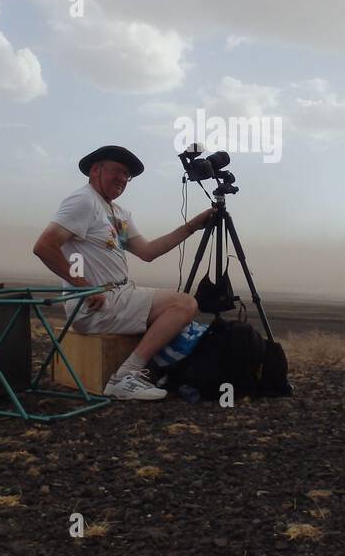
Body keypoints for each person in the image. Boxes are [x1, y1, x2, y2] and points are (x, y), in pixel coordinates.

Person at [32, 145, 213, 400]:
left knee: (177, 306)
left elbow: (148, 251)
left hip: (118, 293)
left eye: (126, 175)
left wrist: (192, 226)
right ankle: (126, 376)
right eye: (116, 171)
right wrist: (82, 285)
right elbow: (45, 247)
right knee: (184, 305)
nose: (122, 179)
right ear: (96, 170)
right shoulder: (84, 201)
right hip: (95, 303)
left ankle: (146, 371)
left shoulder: (117, 213)